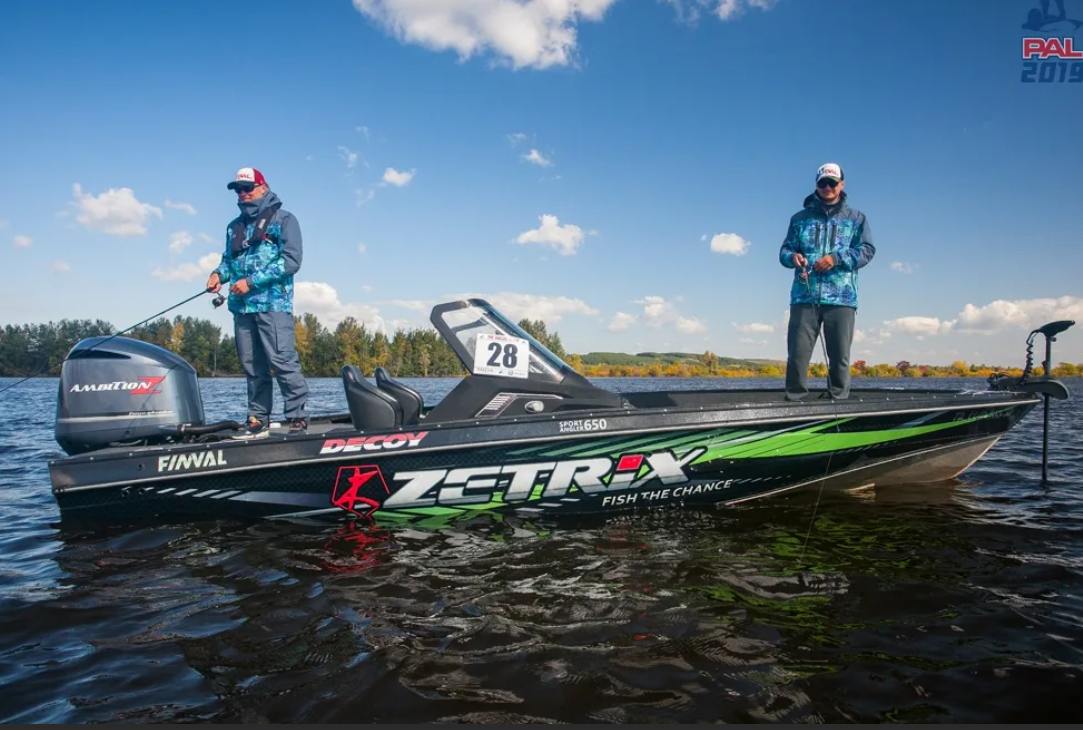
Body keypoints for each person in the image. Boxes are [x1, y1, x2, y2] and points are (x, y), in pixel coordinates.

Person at [206, 167, 310, 437]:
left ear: (263, 188)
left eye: (248, 188)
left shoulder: (284, 220)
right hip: (241, 308)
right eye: (238, 190)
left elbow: (291, 261)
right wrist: (218, 275)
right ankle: (257, 419)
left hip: (273, 306)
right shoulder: (234, 227)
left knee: (283, 360)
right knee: (252, 366)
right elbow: (229, 262)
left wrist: (251, 282)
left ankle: (297, 417)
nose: (242, 194)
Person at [778, 162, 875, 401]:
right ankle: (794, 402)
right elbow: (784, 252)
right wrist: (793, 257)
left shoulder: (857, 219)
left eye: (833, 182)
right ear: (816, 185)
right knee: (798, 354)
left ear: (841, 185)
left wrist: (836, 258)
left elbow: (867, 250)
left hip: (842, 298)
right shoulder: (799, 219)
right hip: (804, 295)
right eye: (823, 183)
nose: (828, 187)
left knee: (839, 356)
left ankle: (838, 401)